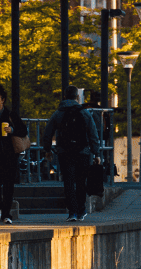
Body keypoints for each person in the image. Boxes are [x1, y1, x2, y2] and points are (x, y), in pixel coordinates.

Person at [42, 85, 97, 221]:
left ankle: (71, 212)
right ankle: (81, 210)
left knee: (68, 181)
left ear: (65, 96)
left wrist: (47, 149)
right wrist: (96, 152)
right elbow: (93, 133)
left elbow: (48, 132)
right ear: (77, 97)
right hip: (82, 151)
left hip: (64, 152)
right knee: (80, 181)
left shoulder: (58, 113)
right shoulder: (84, 113)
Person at [0, 84, 28, 225]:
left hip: (9, 155)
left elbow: (23, 131)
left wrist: (12, 130)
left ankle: (6, 214)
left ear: (3, 100)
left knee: (9, 185)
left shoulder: (11, 115)